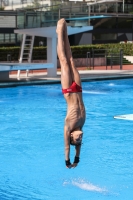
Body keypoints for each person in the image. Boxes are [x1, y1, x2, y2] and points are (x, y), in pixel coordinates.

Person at [56, 18, 86, 169]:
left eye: (77, 139)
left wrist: (68, 162)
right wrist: (78, 160)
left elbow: (67, 147)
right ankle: (65, 31)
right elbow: (79, 148)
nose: (80, 137)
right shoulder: (81, 124)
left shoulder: (68, 126)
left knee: (63, 61)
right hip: (79, 89)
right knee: (72, 61)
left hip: (68, 90)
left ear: (71, 138)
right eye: (81, 139)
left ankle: (58, 32)